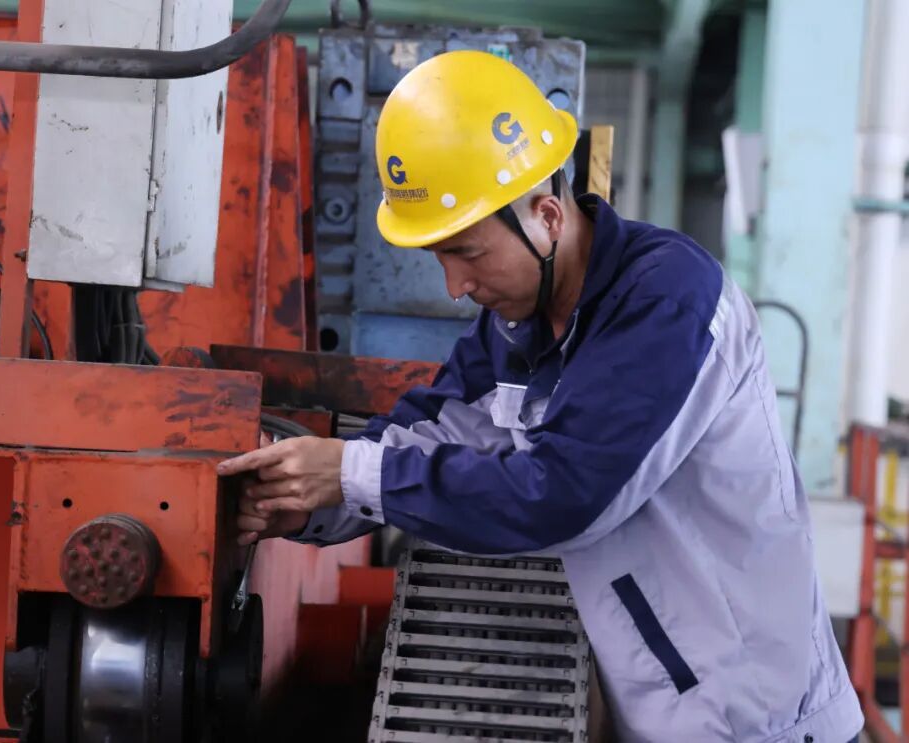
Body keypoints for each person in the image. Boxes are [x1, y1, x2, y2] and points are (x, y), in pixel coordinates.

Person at [217, 51, 863, 742]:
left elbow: (564, 494)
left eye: (466, 252)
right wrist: (307, 499)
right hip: (670, 714)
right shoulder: (517, 326)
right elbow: (436, 430)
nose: (455, 287)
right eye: (439, 257)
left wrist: (346, 472)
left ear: (546, 215)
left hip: (763, 722)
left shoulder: (666, 303)